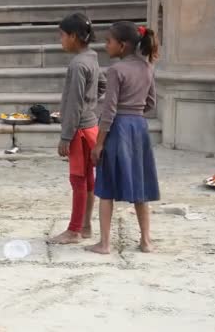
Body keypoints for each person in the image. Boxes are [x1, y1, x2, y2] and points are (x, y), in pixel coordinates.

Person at [86, 22, 161, 254]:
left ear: (123, 45)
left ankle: (105, 243)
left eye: (109, 41)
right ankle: (146, 241)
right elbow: (151, 103)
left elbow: (108, 111)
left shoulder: (116, 71)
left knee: (106, 185)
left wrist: (98, 143)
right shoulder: (147, 67)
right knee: (140, 184)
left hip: (118, 128)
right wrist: (135, 112)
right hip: (139, 128)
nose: (106, 45)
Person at [48, 13, 106, 244]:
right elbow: (102, 84)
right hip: (90, 125)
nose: (60, 40)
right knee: (88, 180)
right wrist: (90, 103)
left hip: (79, 130)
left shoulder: (78, 64)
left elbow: (73, 104)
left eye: (62, 35)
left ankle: (74, 230)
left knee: (78, 180)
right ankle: (85, 225)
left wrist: (66, 136)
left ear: (73, 36)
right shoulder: (92, 57)